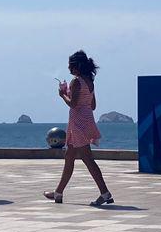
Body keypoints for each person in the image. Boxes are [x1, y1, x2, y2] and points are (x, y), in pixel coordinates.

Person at [46, 50, 113, 206]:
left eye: (70, 65)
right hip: (86, 119)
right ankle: (58, 193)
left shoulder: (76, 82)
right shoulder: (89, 81)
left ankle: (105, 193)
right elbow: (93, 105)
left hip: (78, 123)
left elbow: (73, 104)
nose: (69, 68)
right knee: (69, 157)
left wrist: (62, 94)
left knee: (88, 159)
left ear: (76, 67)